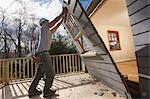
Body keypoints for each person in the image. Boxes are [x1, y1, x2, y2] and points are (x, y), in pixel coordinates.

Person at [28, 7, 68, 98]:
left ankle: (32, 90)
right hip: (43, 54)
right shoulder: (43, 28)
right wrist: (62, 13)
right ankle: (47, 92)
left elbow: (55, 26)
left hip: (40, 54)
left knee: (39, 74)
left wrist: (63, 19)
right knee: (50, 73)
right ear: (44, 23)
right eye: (47, 21)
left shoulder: (47, 32)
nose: (48, 22)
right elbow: (54, 22)